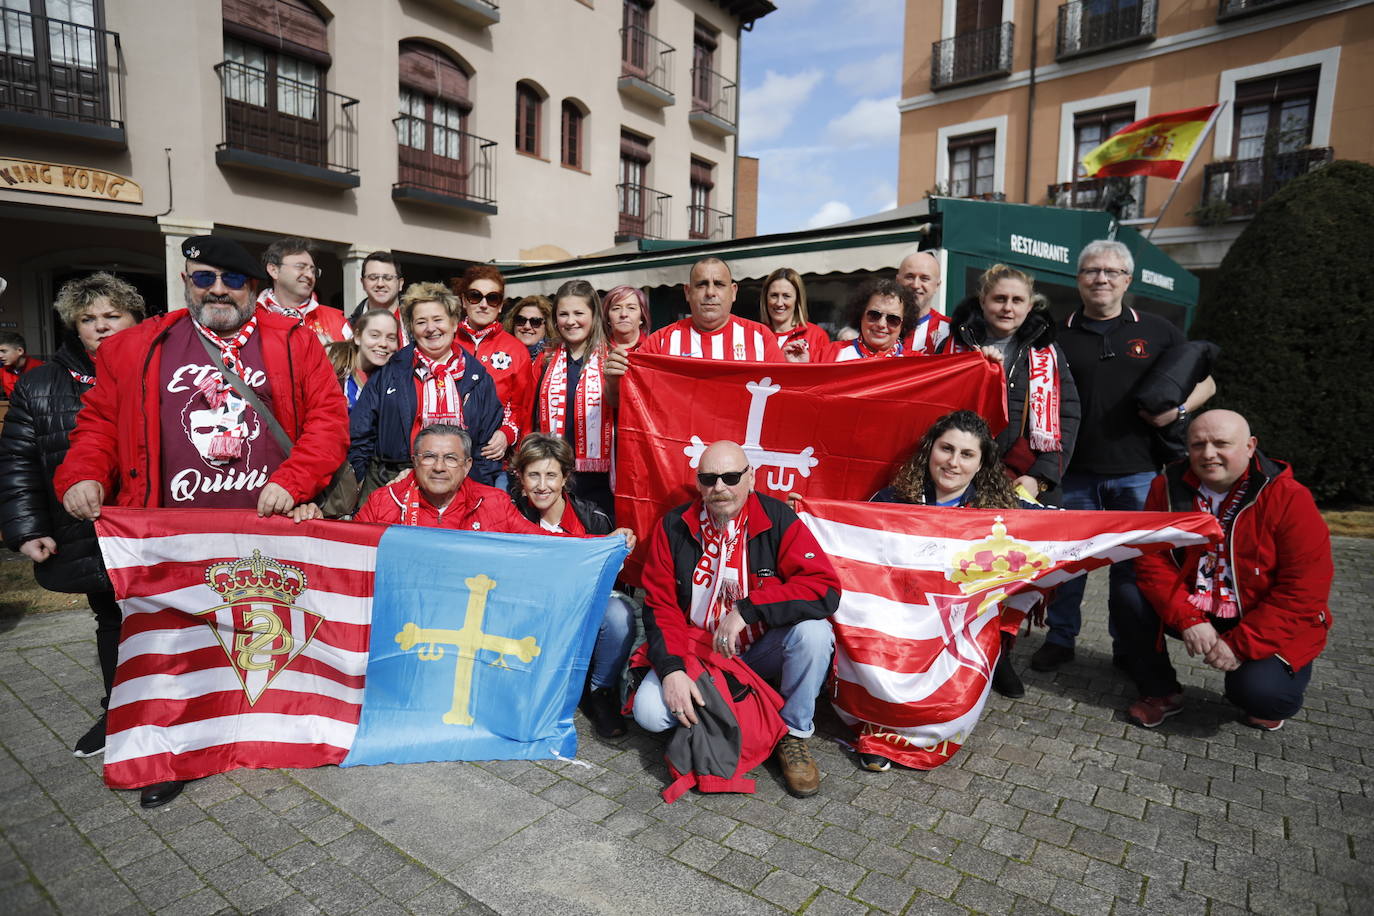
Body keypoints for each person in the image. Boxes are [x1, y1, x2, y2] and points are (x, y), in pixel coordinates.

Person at [54, 235, 349, 809]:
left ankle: (264, 735)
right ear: (186, 281)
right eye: (203, 278)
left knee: (265, 643)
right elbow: (96, 428)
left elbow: (327, 424)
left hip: (264, 531)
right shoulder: (135, 347)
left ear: (254, 288)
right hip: (172, 533)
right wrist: (82, 474)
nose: (217, 290)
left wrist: (292, 482)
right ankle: (171, 755)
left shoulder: (294, 343)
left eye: (232, 280)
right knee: (175, 651)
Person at [1032, 240, 1216, 676]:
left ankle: (1127, 644)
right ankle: (1060, 640)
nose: (1101, 279)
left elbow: (1207, 382)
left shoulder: (1158, 330)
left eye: (1112, 272)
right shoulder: (1055, 334)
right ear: (1078, 279)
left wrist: (1180, 411)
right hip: (1072, 474)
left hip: (1139, 475)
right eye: (1092, 271)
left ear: (1127, 281)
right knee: (1067, 566)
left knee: (1132, 571)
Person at [633, 440, 840, 798]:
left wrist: (749, 608)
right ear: (698, 483)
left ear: (751, 477)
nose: (720, 488)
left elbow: (824, 588)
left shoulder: (778, 519)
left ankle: (792, 733)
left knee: (815, 635)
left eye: (730, 477)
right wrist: (672, 670)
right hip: (699, 654)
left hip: (759, 650)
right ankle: (737, 716)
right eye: (709, 479)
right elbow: (659, 605)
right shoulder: (674, 526)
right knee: (649, 714)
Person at [0, 272, 145, 760]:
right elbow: (18, 461)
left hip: (152, 521)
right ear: (74, 327)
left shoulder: (162, 368)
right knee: (110, 617)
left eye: (113, 316)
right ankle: (119, 710)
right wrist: (26, 529)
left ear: (135, 319)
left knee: (171, 615)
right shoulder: (41, 383)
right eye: (89, 319)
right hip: (87, 525)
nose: (101, 327)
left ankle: (177, 708)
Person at [1128, 409, 1332, 731]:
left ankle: (1262, 688)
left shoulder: (1290, 498)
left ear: (1250, 446)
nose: (1208, 454)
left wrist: (1240, 644)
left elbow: (1304, 590)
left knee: (1261, 695)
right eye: (1197, 445)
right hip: (1196, 603)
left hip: (1258, 612)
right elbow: (1152, 560)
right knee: (1129, 593)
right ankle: (1160, 692)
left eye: (1221, 443)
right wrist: (1188, 618)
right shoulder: (1166, 486)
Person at [868, 411, 1042, 766]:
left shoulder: (1000, 511)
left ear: (982, 464)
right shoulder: (892, 499)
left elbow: (1063, 530)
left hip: (962, 624)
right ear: (930, 450)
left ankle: (922, 731)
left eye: (966, 454)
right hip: (901, 617)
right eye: (946, 449)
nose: (953, 462)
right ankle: (880, 734)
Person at [511, 433, 639, 738]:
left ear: (566, 477)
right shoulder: (507, 512)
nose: (542, 485)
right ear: (520, 477)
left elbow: (611, 581)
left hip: (578, 607)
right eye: (534, 475)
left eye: (551, 475)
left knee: (619, 615)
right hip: (528, 610)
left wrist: (620, 544)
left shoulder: (593, 518)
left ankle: (600, 691)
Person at [348, 282, 504, 494]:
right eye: (421, 322)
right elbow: (360, 435)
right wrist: (360, 482)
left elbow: (486, 450)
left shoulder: (478, 378)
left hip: (462, 486)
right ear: (412, 328)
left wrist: (475, 492)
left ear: (454, 322)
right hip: (391, 483)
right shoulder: (388, 373)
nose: (431, 328)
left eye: (438, 319)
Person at [941, 264, 1080, 500]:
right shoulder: (953, 346)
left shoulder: (1048, 353)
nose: (1007, 308)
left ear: (1029, 306)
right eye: (999, 299)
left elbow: (1067, 417)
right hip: (959, 480)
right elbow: (933, 411)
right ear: (983, 301)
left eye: (1017, 300)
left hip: (1024, 481)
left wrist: (1040, 477)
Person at [531, 280, 617, 520]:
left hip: (598, 479)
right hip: (552, 474)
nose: (571, 321)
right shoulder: (545, 361)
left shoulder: (611, 359)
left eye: (579, 313)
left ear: (594, 315)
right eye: (564, 314)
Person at [608, 259, 783, 377]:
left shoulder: (760, 338)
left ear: (734, 291)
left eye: (719, 284)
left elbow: (784, 395)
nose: (710, 292)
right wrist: (613, 381)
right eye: (702, 284)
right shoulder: (660, 342)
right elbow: (628, 398)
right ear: (688, 292)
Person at [452, 265, 533, 479]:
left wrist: (507, 433)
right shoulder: (446, 341)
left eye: (492, 298)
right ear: (463, 301)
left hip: (491, 458)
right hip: (446, 452)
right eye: (475, 296)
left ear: (500, 306)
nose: (483, 304)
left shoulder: (516, 350)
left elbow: (521, 406)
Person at [257, 237, 350, 344]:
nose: (309, 275)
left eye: (313, 270)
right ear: (274, 270)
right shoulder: (250, 318)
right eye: (300, 267)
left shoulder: (337, 321)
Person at [326, 308, 400, 410]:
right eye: (375, 335)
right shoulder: (330, 368)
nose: (383, 344)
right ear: (357, 337)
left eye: (391, 338)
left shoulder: (397, 379)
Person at [826, 278, 916, 361]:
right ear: (861, 315)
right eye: (874, 315)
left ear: (903, 324)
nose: (881, 324)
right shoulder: (831, 354)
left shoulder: (917, 364)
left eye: (893, 319)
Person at [759, 267, 830, 363]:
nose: (779, 303)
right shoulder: (756, 335)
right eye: (774, 295)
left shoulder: (816, 336)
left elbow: (826, 376)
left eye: (786, 296)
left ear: (797, 300)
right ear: (765, 298)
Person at [895, 249, 951, 355]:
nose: (916, 285)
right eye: (909, 277)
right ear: (898, 281)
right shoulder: (877, 325)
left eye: (924, 278)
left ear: (937, 286)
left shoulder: (950, 331)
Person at [347, 250, 407, 346]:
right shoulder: (348, 328)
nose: (380, 284)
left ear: (400, 283)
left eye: (388, 278)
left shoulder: (416, 322)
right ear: (363, 283)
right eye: (373, 277)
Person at [504, 294, 557, 359]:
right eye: (521, 320)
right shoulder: (501, 355)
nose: (527, 327)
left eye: (535, 322)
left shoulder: (556, 360)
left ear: (547, 326)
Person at [603, 285, 650, 353]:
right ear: (607, 317)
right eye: (616, 308)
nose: (623, 314)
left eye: (631, 308)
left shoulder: (654, 348)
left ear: (642, 316)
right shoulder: (595, 353)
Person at [0, 330, 44, 398]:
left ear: (20, 351)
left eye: (4, 351)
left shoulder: (42, 368)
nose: (0, 355)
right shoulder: (2, 371)